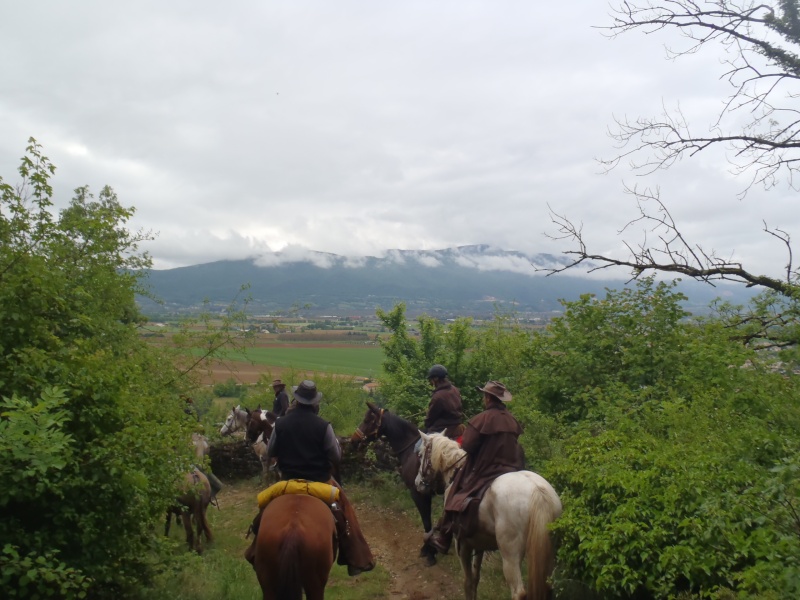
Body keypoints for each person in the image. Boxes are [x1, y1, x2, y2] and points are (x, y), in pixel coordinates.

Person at [244, 380, 375, 576]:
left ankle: (256, 549)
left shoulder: (281, 424)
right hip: (320, 482)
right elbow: (336, 456)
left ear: (296, 400)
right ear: (315, 403)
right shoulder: (324, 426)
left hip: (287, 482)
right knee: (345, 510)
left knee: (265, 509)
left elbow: (271, 451)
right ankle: (356, 557)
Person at [426, 380, 525, 554]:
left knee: (454, 492)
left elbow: (467, 446)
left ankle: (445, 536)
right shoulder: (512, 420)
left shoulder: (481, 419)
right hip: (512, 468)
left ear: (488, 398)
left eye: (484, 396)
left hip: (485, 469)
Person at [424, 364, 465, 440]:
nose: (431, 382)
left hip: (442, 429)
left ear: (435, 379)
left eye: (432, 379)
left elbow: (430, 418)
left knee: (417, 446)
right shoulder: (455, 389)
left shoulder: (438, 397)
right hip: (457, 426)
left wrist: (426, 424)